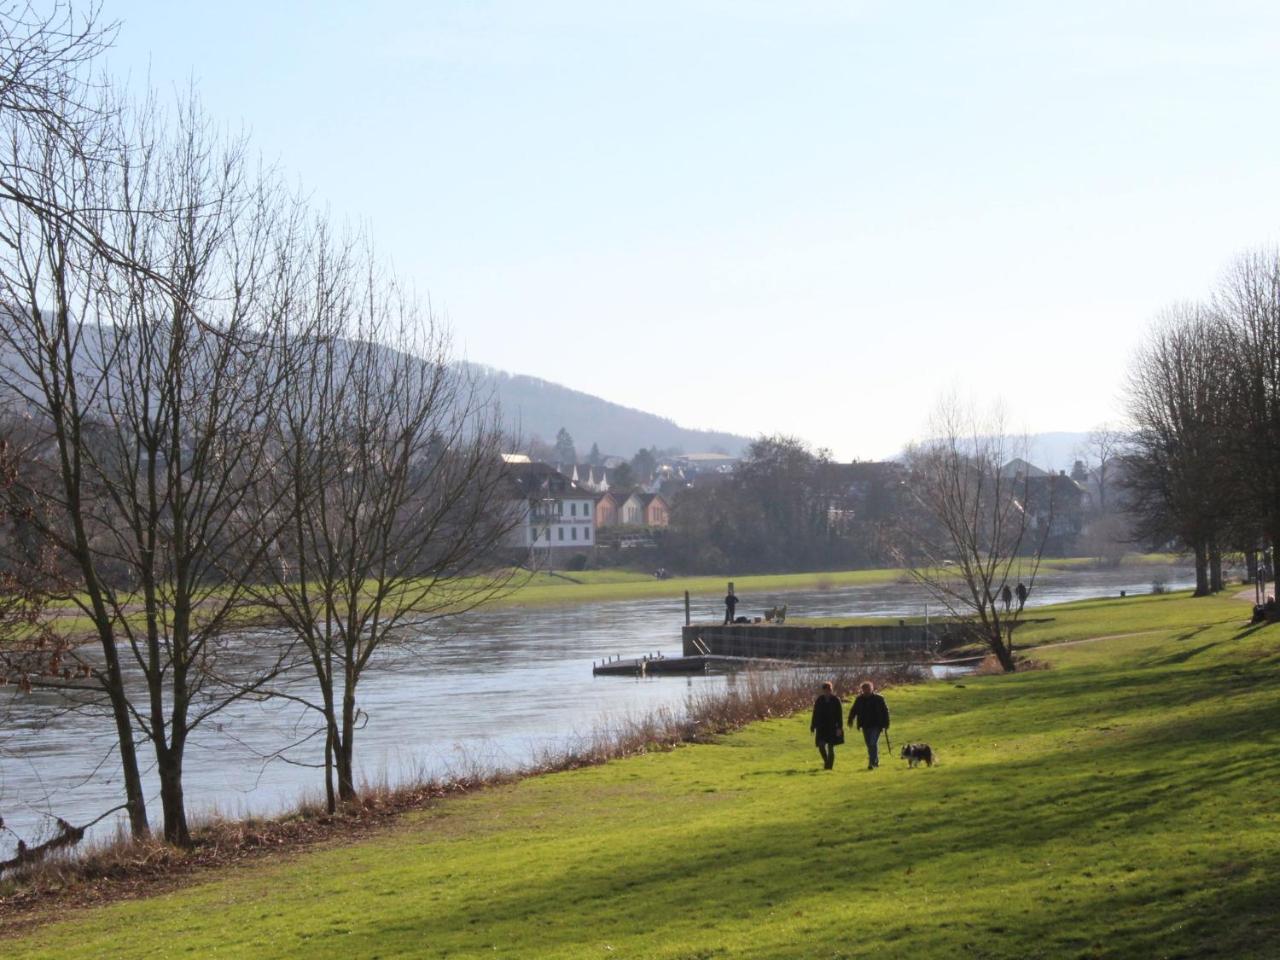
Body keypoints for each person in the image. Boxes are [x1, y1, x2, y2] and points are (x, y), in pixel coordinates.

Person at [848, 680, 890, 770]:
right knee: (869, 745)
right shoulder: (859, 699)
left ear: (872, 689)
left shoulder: (879, 699)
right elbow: (854, 710)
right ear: (862, 690)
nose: (866, 691)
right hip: (865, 725)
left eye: (868, 689)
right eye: (864, 690)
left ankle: (871, 763)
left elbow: (885, 712)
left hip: (876, 725)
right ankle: (875, 761)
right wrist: (850, 719)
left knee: (872, 743)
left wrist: (886, 724)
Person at [810, 681, 844, 770]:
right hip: (821, 727)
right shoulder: (819, 700)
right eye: (825, 690)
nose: (827, 692)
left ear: (831, 690)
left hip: (832, 727)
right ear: (823, 690)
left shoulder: (836, 700)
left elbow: (839, 715)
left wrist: (839, 728)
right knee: (821, 746)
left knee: (830, 748)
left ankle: (829, 767)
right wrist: (813, 725)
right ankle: (826, 761)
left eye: (829, 690)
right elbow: (815, 713)